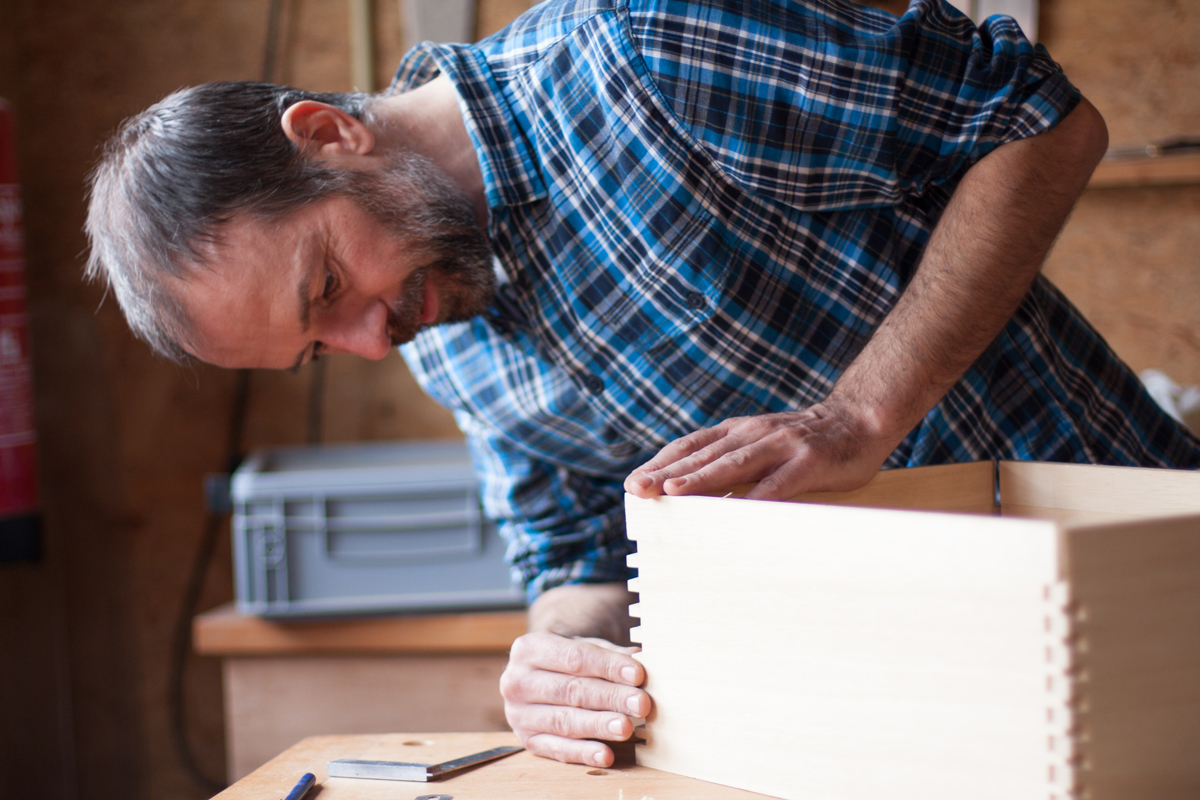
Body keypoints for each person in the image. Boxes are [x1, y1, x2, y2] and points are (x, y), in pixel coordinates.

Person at [85, 0, 1200, 770]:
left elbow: (1035, 124)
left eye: (325, 284)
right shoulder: (437, 328)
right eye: (317, 349)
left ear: (329, 134)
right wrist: (563, 654)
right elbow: (570, 547)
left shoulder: (642, 53)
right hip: (901, 715)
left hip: (1143, 602)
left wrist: (862, 413)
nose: (369, 343)